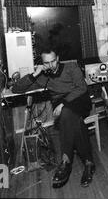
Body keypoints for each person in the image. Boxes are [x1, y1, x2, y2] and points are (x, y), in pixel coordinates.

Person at [12, 46, 95, 188]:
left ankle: (65, 162)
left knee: (66, 113)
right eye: (46, 63)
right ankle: (88, 162)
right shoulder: (43, 76)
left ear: (57, 59)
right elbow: (16, 89)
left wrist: (62, 103)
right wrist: (35, 74)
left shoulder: (71, 67)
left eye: (52, 61)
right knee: (73, 120)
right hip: (65, 110)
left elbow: (81, 88)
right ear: (42, 63)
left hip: (80, 100)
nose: (50, 65)